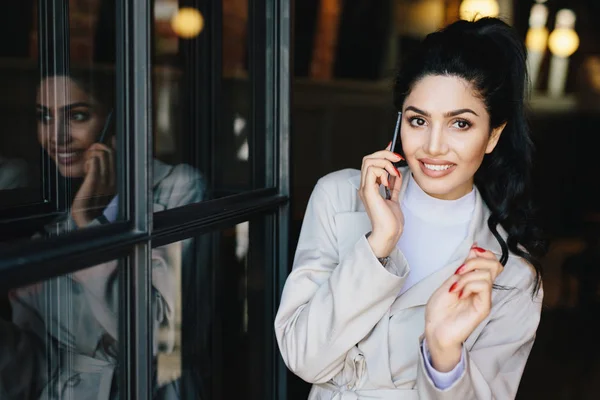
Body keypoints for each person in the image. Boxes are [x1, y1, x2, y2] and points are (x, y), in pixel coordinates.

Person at [275, 18, 547, 399]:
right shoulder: (338, 197)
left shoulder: (511, 275)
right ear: (399, 121)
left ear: (493, 136)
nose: (434, 146)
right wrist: (378, 244)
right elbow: (302, 358)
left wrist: (444, 352)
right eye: (418, 120)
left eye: (460, 124)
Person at [7, 70, 206, 399]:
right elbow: (34, 352)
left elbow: (158, 335)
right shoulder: (45, 207)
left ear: (118, 119)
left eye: (78, 116)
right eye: (44, 117)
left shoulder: (179, 188)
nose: (56, 136)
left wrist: (88, 226)